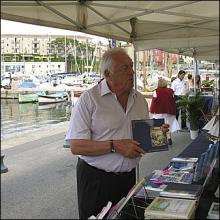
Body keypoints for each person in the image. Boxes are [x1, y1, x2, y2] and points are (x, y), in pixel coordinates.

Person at [65, 48, 169, 219]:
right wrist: (114, 146)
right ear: (108, 74)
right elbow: (76, 146)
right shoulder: (89, 99)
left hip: (128, 177)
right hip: (96, 179)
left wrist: (158, 134)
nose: (132, 72)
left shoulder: (139, 100)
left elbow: (142, 137)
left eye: (132, 66)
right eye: (125, 68)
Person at [150, 78, 180, 145]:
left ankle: (160, 140)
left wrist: (152, 111)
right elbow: (173, 101)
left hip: (159, 112)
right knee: (168, 124)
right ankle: (169, 138)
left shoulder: (156, 91)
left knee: (160, 126)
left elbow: (154, 102)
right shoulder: (171, 91)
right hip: (169, 111)